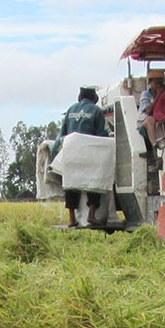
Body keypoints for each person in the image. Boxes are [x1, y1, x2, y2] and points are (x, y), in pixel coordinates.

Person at [56, 86, 108, 227]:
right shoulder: (96, 111)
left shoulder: (70, 110)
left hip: (71, 152)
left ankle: (72, 218)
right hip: (89, 153)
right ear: (94, 99)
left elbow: (62, 133)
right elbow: (101, 135)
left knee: (71, 184)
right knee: (95, 181)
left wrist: (55, 150)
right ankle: (91, 215)